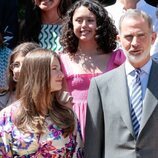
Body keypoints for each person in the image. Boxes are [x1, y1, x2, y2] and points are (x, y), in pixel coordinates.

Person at [84, 9, 158, 158]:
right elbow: (93, 144)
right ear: (119, 39)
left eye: (141, 35)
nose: (135, 43)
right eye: (129, 37)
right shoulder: (101, 86)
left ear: (153, 37)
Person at [59, 0, 126, 141]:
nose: (84, 25)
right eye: (78, 20)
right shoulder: (61, 60)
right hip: (72, 127)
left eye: (90, 20)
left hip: (108, 126)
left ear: (100, 24)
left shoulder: (117, 58)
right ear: (71, 24)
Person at [0, 48, 83, 157]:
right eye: (54, 69)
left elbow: (77, 153)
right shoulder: (7, 117)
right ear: (37, 74)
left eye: (60, 69)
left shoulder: (67, 116)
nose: (61, 75)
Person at [0, 42, 40, 110]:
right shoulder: (4, 99)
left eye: (26, 64)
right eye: (16, 65)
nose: (20, 69)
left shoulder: (49, 98)